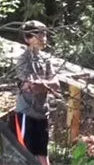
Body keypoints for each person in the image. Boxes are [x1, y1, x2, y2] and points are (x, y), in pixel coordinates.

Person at [13, 20, 59, 165]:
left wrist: (40, 84)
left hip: (42, 113)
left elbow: (56, 84)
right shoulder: (23, 59)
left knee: (43, 154)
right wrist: (45, 85)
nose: (43, 37)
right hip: (27, 113)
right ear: (27, 39)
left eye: (44, 33)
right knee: (27, 154)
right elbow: (29, 86)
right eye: (38, 34)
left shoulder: (46, 59)